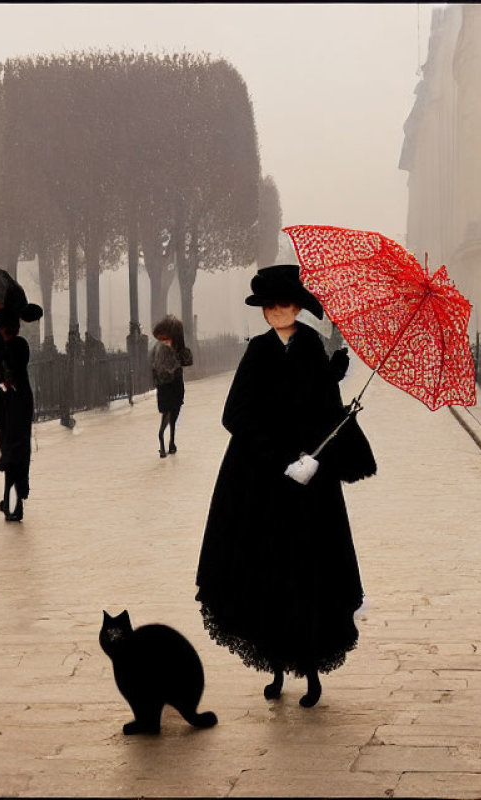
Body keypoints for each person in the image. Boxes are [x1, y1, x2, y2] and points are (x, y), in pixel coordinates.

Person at [194, 264, 376, 708]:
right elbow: (235, 414)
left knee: (309, 572)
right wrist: (280, 458)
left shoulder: (313, 346)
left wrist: (332, 387)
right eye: (271, 306)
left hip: (310, 485)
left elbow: (319, 407)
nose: (279, 311)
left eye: (287, 304)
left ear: (299, 307)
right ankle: (276, 666)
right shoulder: (256, 352)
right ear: (264, 311)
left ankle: (311, 671)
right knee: (267, 570)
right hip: (262, 481)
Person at [0, 287, 43, 522]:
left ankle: (14, 504)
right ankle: (11, 499)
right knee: (12, 450)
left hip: (15, 400)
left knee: (14, 453)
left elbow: (11, 367)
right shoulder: (9, 345)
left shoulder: (16, 345)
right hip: (9, 399)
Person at [150, 315, 193, 457]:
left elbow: (186, 360)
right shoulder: (161, 349)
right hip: (167, 385)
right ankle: (164, 440)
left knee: (173, 414)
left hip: (173, 385)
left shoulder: (175, 348)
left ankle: (170, 441)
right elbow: (160, 367)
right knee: (168, 414)